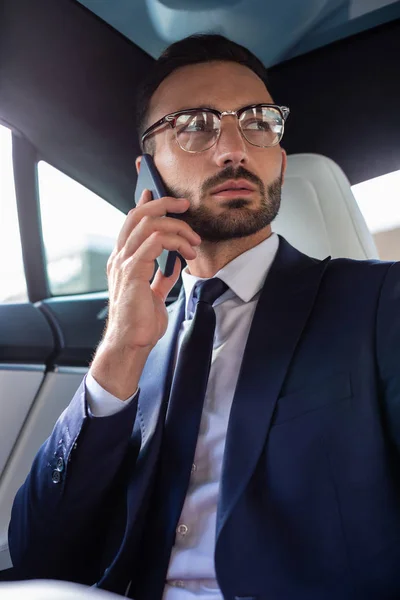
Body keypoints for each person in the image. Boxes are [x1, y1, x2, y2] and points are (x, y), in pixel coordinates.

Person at [8, 34, 400, 600]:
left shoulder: (378, 302)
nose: (233, 149)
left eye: (259, 123)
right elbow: (39, 552)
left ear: (280, 161)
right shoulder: (136, 349)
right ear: (148, 176)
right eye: (195, 124)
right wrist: (118, 352)